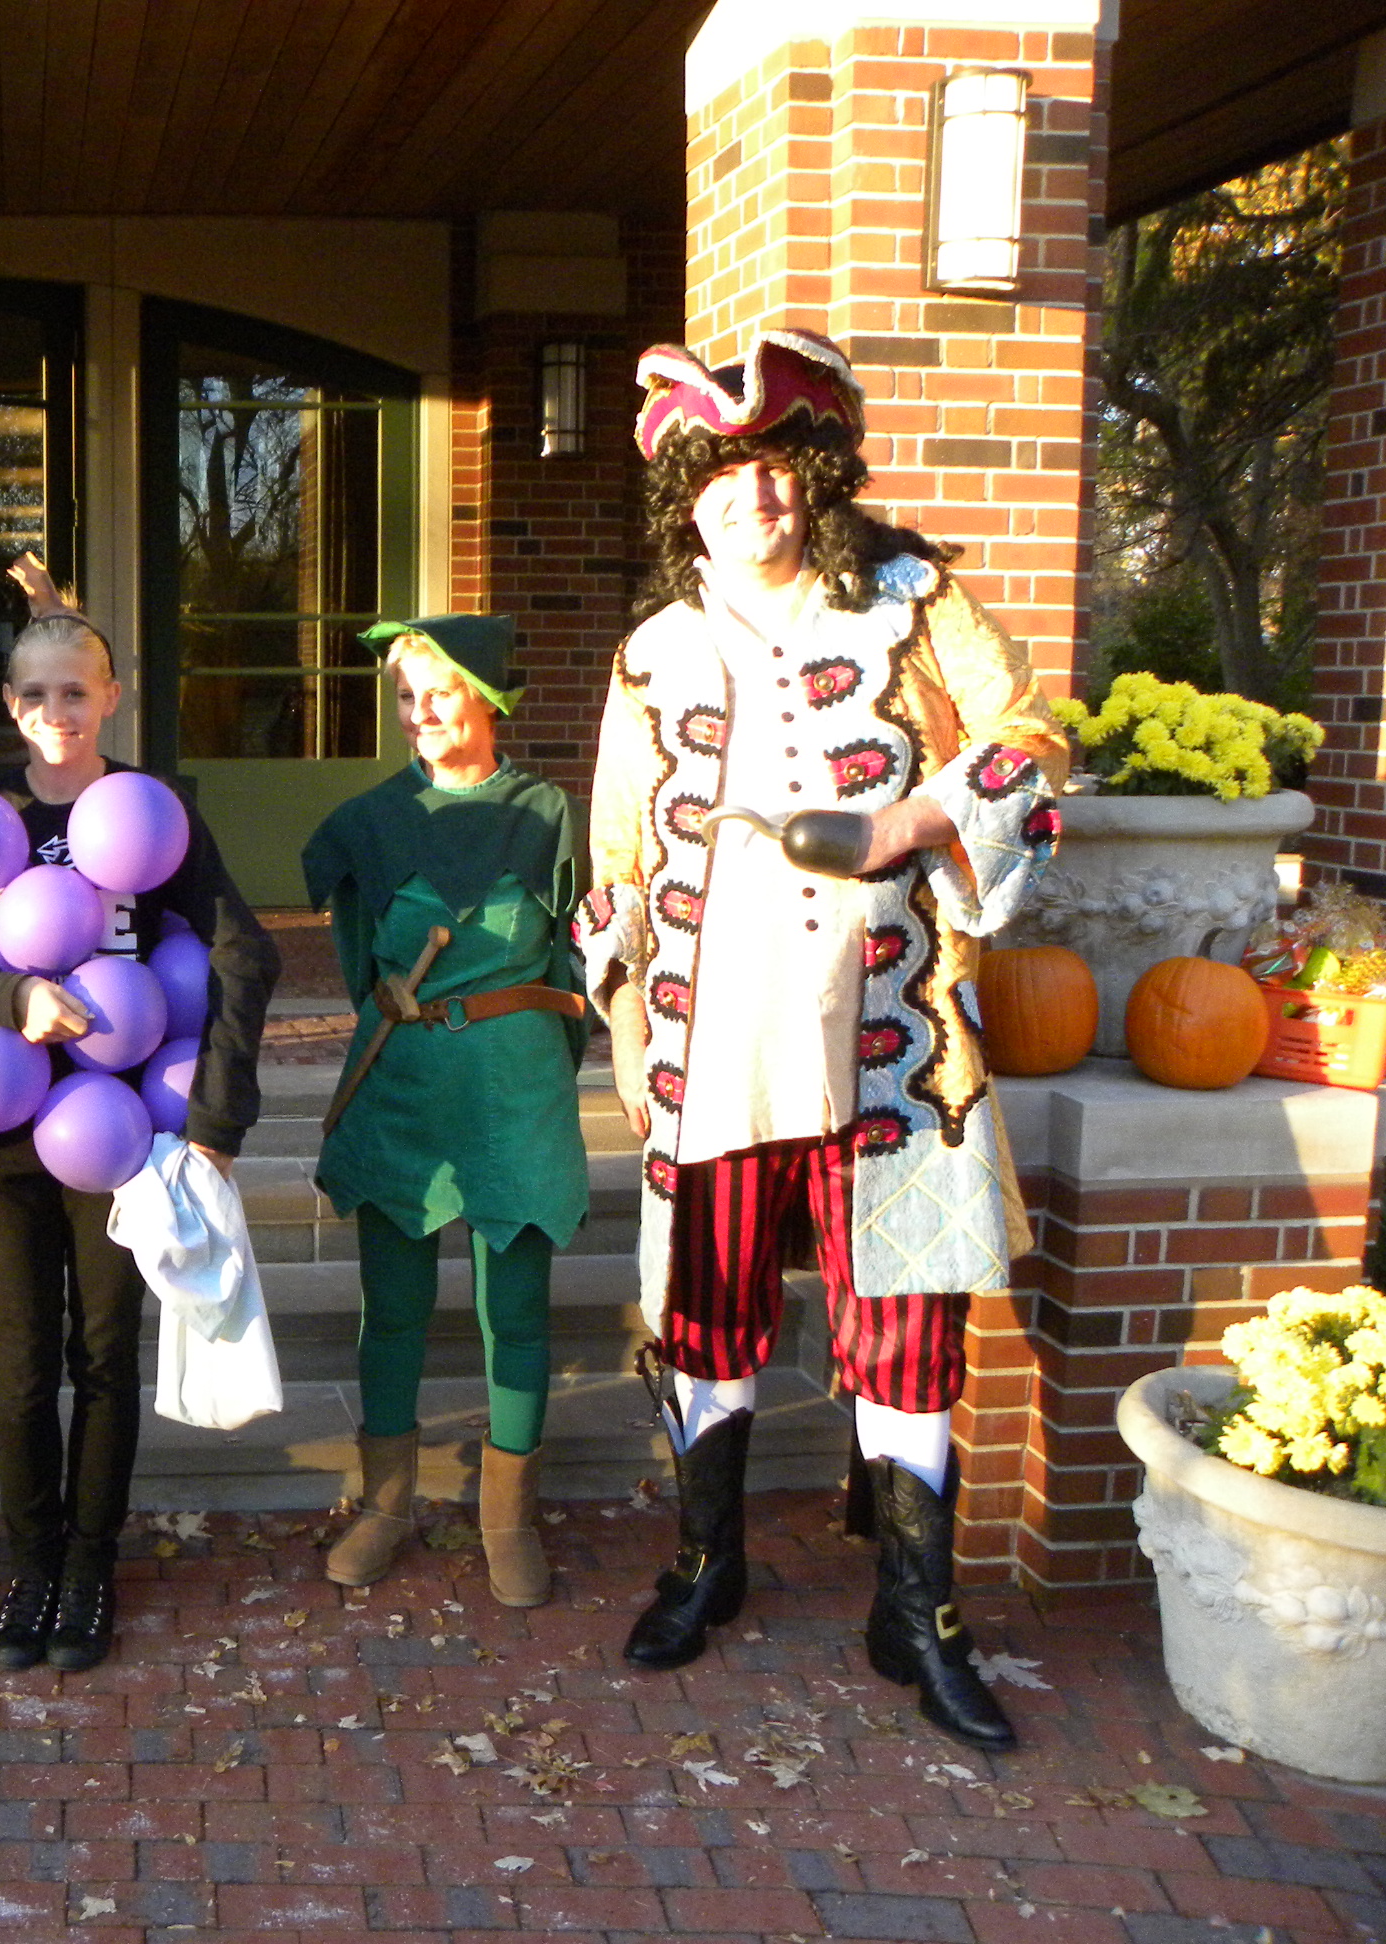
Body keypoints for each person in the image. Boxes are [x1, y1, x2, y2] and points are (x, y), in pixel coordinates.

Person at [578, 331, 1063, 1749]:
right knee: (707, 1312)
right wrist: (619, 991)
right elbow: (616, 851)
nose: (754, 497)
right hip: (711, 1046)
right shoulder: (654, 649)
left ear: (820, 475)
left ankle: (918, 1612)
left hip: (893, 1044)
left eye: (778, 467)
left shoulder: (913, 601)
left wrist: (914, 820)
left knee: (907, 1324)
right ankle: (705, 1561)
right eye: (720, 474)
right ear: (685, 496)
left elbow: (1033, 734)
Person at [0, 555, 277, 1672]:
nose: (58, 711)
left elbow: (243, 952)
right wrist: (8, 996)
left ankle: (91, 1569)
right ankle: (32, 1564)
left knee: (102, 1354)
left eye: (78, 692)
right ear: (11, 705)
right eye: (37, 694)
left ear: (112, 697)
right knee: (19, 1365)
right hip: (0, 1124)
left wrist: (217, 1125)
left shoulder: (151, 813)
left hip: (119, 1135)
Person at [303, 617, 590, 1606]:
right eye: (404, 696)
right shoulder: (368, 822)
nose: (418, 713)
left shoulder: (551, 816)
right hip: (404, 1088)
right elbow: (359, 967)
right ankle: (385, 1505)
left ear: (488, 696)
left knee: (516, 1311)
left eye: (438, 691)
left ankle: (508, 1517)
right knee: (392, 1309)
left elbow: (576, 962)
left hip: (516, 1089)